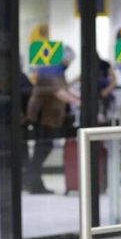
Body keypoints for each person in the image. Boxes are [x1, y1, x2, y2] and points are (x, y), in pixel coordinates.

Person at [25, 45, 81, 194]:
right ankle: (33, 182)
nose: (68, 65)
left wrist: (76, 95)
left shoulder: (57, 71)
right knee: (42, 149)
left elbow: (65, 89)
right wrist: (77, 102)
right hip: (43, 117)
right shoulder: (49, 70)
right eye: (68, 61)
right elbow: (59, 92)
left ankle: (34, 182)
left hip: (50, 116)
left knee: (43, 148)